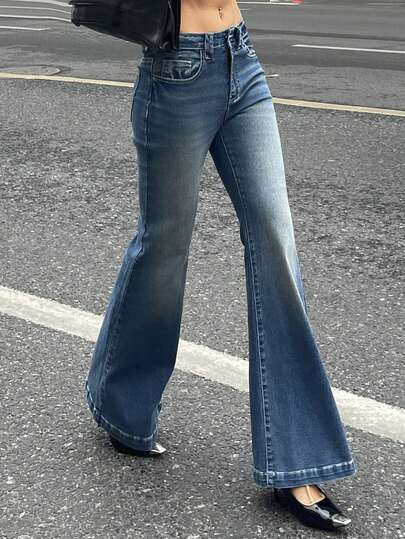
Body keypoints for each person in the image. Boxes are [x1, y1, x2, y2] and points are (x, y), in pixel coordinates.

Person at [84, 0, 357, 531]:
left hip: (241, 57)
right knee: (163, 246)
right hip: (176, 69)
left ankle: (296, 462)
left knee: (275, 239)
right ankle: (122, 404)